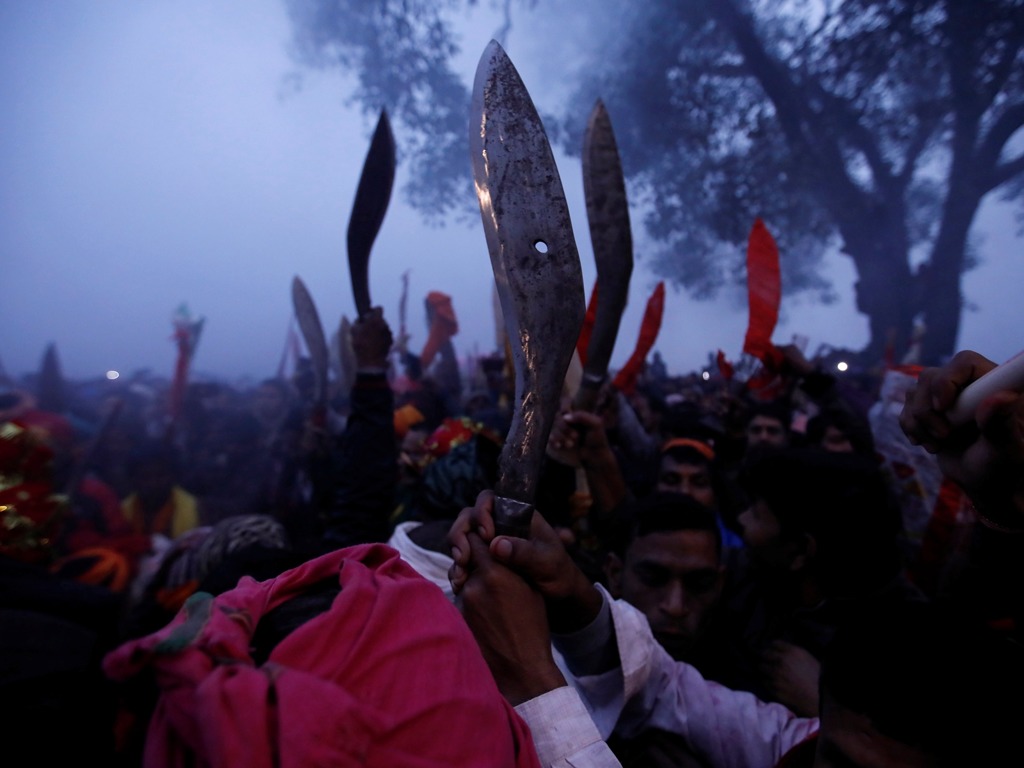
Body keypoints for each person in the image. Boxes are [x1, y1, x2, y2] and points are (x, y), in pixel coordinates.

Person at [449, 489, 1024, 768]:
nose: (675, 606)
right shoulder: (796, 748)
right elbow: (670, 692)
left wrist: (531, 679)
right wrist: (573, 597)